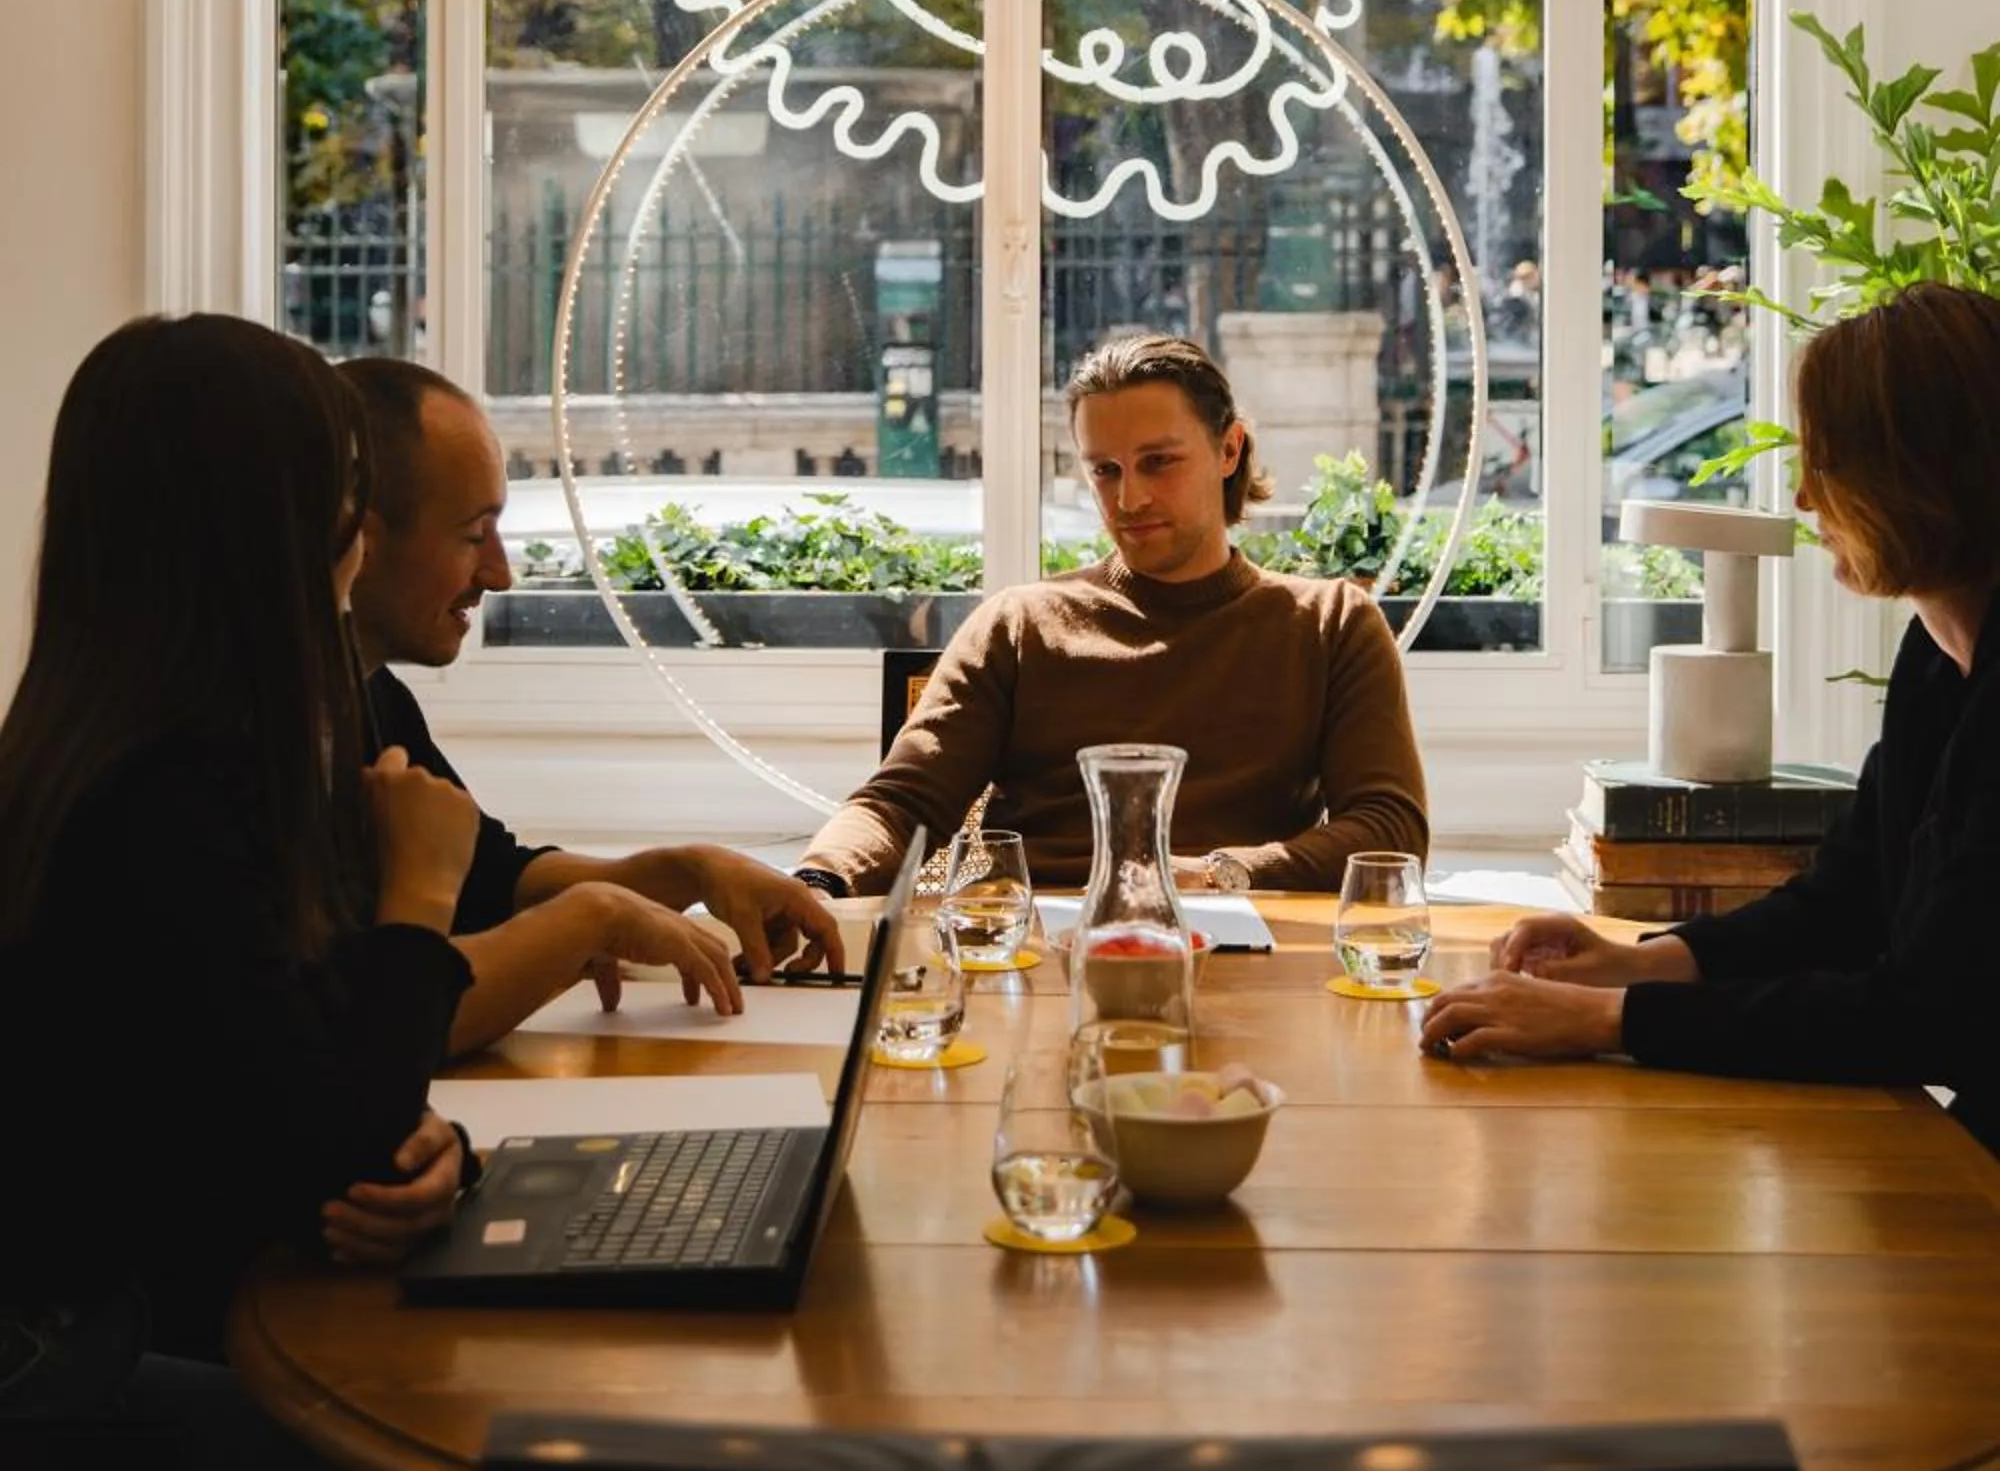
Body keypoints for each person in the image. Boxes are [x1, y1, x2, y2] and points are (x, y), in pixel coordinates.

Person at [0, 315, 473, 1471]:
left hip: (71, 1385)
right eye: (341, 492)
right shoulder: (153, 807)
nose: (355, 531)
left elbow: (313, 1104)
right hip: (42, 1431)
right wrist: (420, 899)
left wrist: (420, 1148)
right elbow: (320, 1134)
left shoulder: (124, 750)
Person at [1420, 282, 2000, 1146]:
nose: (1806, 500)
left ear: (1919, 475)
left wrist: (1609, 1021)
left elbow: (1921, 1016)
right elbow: (1849, 901)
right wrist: (1643, 961)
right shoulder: (1934, 658)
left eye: (1828, 465)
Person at [793, 333, 1429, 895]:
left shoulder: (1330, 624)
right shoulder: (1020, 624)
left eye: (1159, 462)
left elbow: (1389, 828)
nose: (1129, 497)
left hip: (1246, 934)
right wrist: (818, 880)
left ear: (1229, 449)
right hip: (1037, 945)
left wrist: (1215, 873)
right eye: (1105, 470)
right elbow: (901, 803)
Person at [339, 358, 843, 1050]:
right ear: (357, 543)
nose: (500, 574)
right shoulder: (246, 745)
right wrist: (590, 919)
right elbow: (387, 1023)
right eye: (471, 534)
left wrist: (688, 869)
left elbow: (496, 882)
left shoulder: (370, 695)